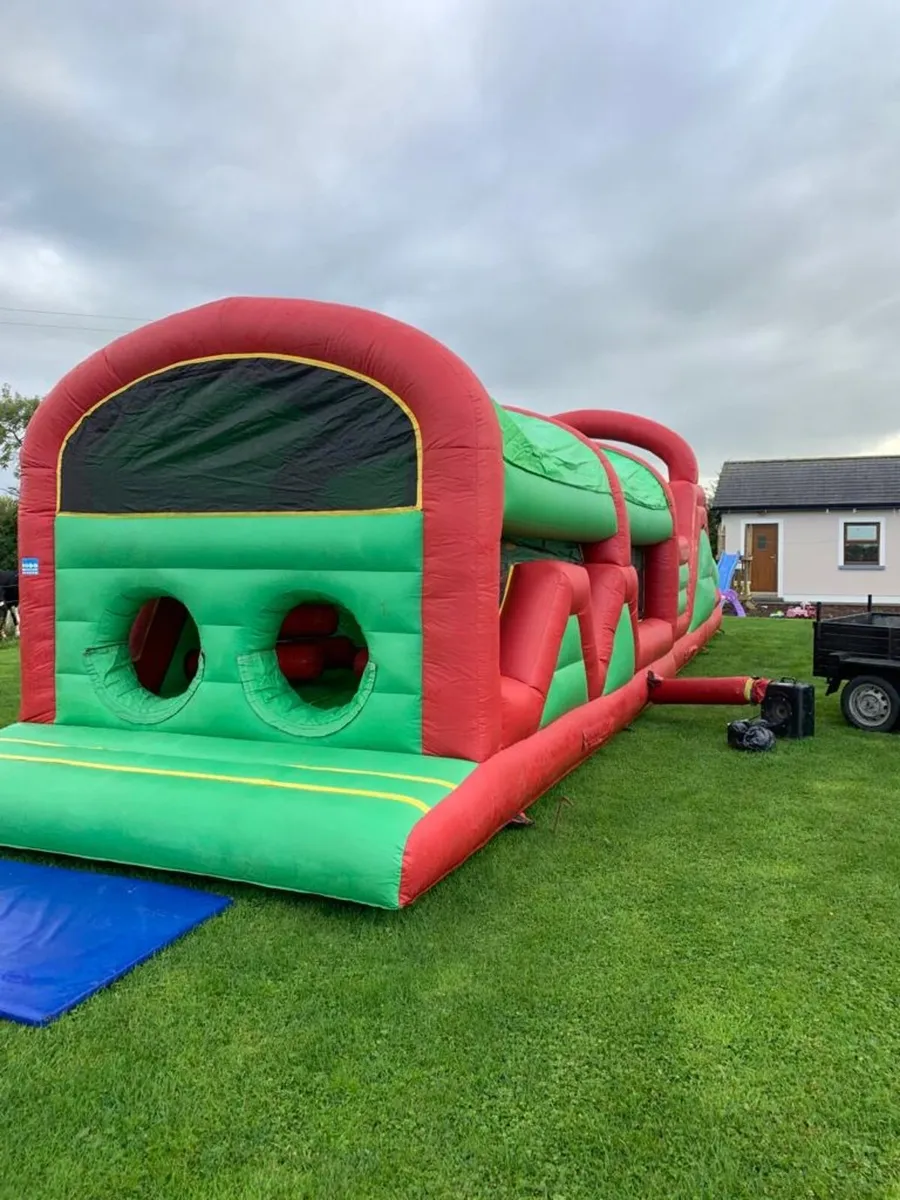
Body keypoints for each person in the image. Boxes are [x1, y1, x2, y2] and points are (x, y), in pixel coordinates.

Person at [0, 569, 19, 638]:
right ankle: (2, 632)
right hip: (5, 601)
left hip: (7, 602)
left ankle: (2, 632)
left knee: (6, 610)